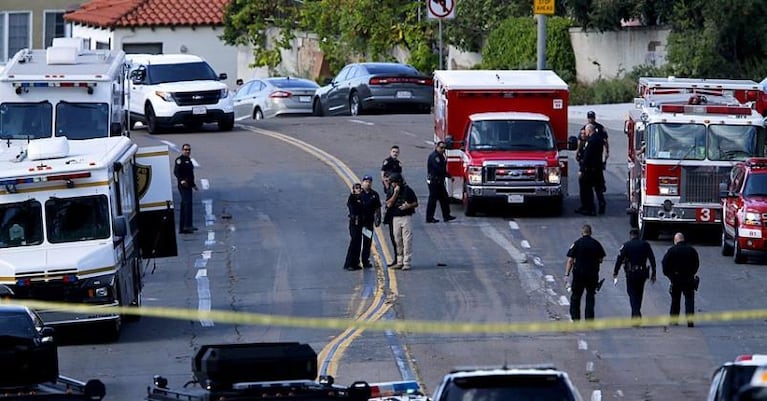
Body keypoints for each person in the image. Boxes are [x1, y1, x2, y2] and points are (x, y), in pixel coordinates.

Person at [613, 228, 657, 320]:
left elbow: (619, 259)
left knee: (631, 293)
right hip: (642, 273)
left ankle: (636, 313)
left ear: (630, 235)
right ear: (639, 235)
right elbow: (652, 259)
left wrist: (615, 271)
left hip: (631, 273)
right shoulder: (645, 245)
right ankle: (635, 314)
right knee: (639, 293)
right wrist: (654, 273)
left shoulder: (626, 245)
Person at [565, 224, 606, 321]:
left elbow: (570, 260)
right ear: (590, 232)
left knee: (576, 296)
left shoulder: (577, 243)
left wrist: (566, 274)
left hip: (579, 274)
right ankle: (589, 319)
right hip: (592, 274)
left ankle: (575, 318)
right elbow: (601, 259)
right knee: (590, 296)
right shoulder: (596, 244)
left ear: (582, 232)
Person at [662, 232, 700, 327]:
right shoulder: (691, 250)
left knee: (675, 300)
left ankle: (674, 320)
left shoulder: (671, 250)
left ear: (675, 240)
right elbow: (696, 264)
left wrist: (670, 276)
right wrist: (692, 273)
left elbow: (665, 265)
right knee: (689, 300)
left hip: (676, 278)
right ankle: (690, 321)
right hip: (688, 278)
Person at [386, 173, 418, 270]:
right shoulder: (391, 191)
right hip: (395, 217)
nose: (393, 185)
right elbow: (389, 204)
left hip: (406, 216)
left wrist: (408, 206)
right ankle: (399, 261)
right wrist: (395, 194)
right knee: (397, 239)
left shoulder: (408, 190)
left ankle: (406, 262)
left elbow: (415, 203)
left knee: (407, 239)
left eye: (394, 183)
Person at [425, 141, 456, 223]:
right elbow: (439, 169)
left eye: (444, 148)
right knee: (433, 200)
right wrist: (448, 175)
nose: (443, 149)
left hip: (439, 182)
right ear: (437, 147)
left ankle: (446, 216)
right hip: (434, 182)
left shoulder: (441, 156)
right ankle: (429, 218)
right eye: (441, 147)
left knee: (444, 199)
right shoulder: (435, 157)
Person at [359, 175, 382, 268]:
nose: (368, 183)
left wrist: (378, 219)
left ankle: (365, 260)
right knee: (356, 242)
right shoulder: (358, 193)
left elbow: (377, 208)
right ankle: (356, 260)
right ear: (362, 182)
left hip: (368, 222)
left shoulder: (374, 195)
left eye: (369, 182)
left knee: (367, 242)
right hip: (359, 222)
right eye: (366, 181)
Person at [174, 144, 198, 234]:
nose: (187, 151)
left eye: (189, 150)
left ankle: (185, 226)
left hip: (188, 185)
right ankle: (186, 226)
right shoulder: (180, 160)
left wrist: (193, 185)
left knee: (186, 205)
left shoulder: (188, 160)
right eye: (185, 149)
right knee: (187, 204)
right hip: (183, 185)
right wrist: (181, 181)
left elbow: (190, 175)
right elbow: (176, 172)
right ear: (182, 150)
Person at [343, 183, 364, 270]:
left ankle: (356, 262)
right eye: (356, 188)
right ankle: (349, 263)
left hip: (361, 222)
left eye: (359, 188)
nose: (358, 189)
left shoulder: (362, 198)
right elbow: (351, 206)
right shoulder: (352, 198)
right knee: (354, 242)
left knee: (359, 242)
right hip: (354, 222)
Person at [382, 172, 399, 267]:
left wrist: (388, 202)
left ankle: (399, 259)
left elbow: (389, 203)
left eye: (388, 179)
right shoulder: (389, 188)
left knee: (397, 239)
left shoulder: (395, 189)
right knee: (393, 239)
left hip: (395, 216)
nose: (386, 180)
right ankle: (397, 259)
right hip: (390, 216)